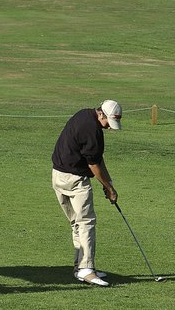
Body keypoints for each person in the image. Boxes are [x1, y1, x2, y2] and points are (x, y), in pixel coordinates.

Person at [51, 100, 122, 287]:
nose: (108, 128)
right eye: (108, 123)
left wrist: (109, 185)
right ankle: (86, 269)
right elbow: (93, 165)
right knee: (86, 222)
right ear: (101, 114)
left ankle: (80, 268)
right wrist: (109, 189)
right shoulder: (93, 130)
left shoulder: (84, 114)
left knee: (77, 222)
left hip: (58, 176)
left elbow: (96, 158)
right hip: (74, 180)